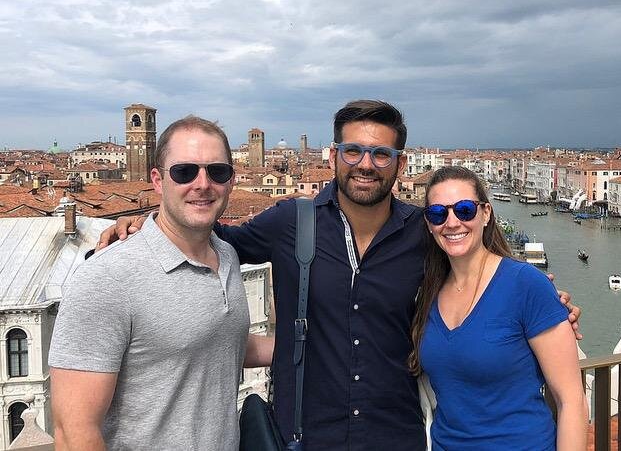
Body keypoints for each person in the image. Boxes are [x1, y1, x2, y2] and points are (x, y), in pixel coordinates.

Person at [97, 100, 581, 451]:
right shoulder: (291, 223)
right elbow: (208, 236)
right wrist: (144, 223)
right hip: (308, 437)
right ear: (333, 157)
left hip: (397, 438)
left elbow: (483, 278)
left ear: (399, 164)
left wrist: (547, 307)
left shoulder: (425, 230)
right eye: (353, 151)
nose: (366, 164)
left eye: (381, 154)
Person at [49, 116, 273, 450]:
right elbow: (73, 433)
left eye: (217, 171)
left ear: (231, 181)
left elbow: (222, 343)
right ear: (157, 180)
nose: (202, 184)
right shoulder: (106, 277)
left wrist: (322, 345)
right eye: (184, 172)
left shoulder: (226, 256)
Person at [409, 166, 588, 450]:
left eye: (464, 210)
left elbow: (571, 400)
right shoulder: (427, 293)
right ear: (429, 224)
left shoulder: (527, 284)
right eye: (438, 214)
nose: (452, 222)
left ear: (486, 213)